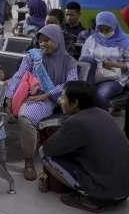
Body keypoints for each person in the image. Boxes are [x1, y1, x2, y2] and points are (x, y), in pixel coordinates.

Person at [42, 81, 129, 213]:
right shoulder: (103, 113)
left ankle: (90, 199)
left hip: (107, 190)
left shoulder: (76, 122)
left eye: (63, 97)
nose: (60, 101)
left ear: (75, 103)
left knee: (44, 153)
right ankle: (112, 194)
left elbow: (49, 148)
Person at [5, 24, 78, 181]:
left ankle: (29, 162)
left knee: (26, 117)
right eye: (40, 41)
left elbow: (70, 84)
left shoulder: (69, 61)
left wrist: (46, 95)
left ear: (58, 40)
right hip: (25, 95)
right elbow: (18, 76)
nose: (43, 44)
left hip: (50, 99)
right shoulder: (33, 56)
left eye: (48, 40)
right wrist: (9, 96)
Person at [80, 11, 129, 109]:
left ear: (114, 26)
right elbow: (83, 59)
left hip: (113, 78)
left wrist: (112, 64)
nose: (104, 33)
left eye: (108, 29)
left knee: (99, 96)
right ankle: (87, 116)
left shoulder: (125, 41)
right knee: (81, 93)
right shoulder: (92, 39)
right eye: (101, 29)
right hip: (93, 76)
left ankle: (105, 119)